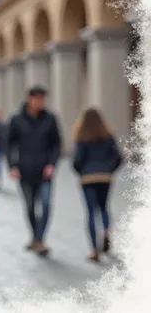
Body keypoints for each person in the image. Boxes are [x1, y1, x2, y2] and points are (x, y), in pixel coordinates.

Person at [6, 86, 62, 256]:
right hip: (25, 170)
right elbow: (9, 144)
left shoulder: (50, 119)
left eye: (43, 99)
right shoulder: (17, 119)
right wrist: (12, 166)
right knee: (30, 207)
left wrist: (52, 164)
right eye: (37, 99)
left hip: (45, 172)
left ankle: (39, 239)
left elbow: (56, 144)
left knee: (45, 205)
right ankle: (36, 237)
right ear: (29, 99)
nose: (40, 102)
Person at [71, 108, 123, 262]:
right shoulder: (108, 136)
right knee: (104, 208)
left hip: (88, 178)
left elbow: (76, 161)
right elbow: (118, 158)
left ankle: (94, 250)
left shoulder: (82, 137)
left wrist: (82, 172)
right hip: (105, 177)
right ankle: (106, 230)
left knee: (91, 212)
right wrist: (109, 170)